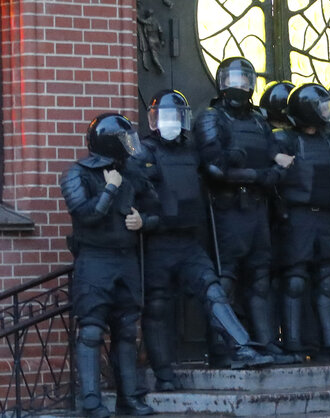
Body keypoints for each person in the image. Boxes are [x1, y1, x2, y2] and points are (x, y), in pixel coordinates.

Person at [133, 90, 274, 390]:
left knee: (213, 291)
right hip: (158, 242)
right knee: (157, 307)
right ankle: (164, 375)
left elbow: (214, 168)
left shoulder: (192, 151)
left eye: (175, 116)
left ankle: (241, 346)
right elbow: (134, 190)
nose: (170, 122)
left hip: (188, 240)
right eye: (164, 117)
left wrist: (230, 156)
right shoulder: (144, 152)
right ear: (154, 120)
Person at [193, 57, 297, 365]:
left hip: (257, 209)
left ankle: (264, 342)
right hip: (227, 209)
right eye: (233, 80)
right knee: (226, 280)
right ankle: (223, 347)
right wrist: (258, 175)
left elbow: (272, 156)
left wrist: (270, 173)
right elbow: (213, 167)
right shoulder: (212, 118)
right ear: (222, 83)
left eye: (244, 80)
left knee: (260, 277)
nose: (239, 86)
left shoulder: (257, 121)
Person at [60, 113, 155, 417]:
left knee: (127, 331)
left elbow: (160, 209)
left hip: (126, 259)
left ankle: (129, 398)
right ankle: (91, 401)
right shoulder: (76, 174)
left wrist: (144, 221)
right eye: (124, 140)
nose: (130, 146)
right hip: (95, 259)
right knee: (90, 331)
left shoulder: (133, 173)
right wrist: (110, 188)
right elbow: (86, 215)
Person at [272, 82, 330, 362]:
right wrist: (274, 158)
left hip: (326, 217)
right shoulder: (283, 139)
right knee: (296, 281)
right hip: (297, 217)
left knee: (326, 282)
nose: (326, 112)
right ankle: (293, 344)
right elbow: (263, 163)